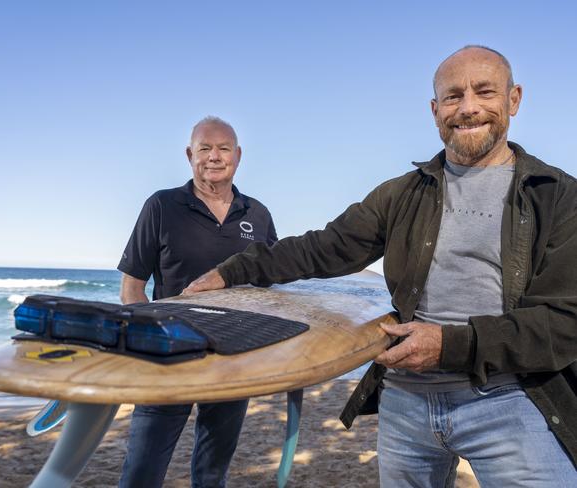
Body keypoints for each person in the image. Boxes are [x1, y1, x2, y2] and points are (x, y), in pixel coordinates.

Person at [184, 46, 577, 486]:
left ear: (514, 99)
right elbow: (321, 248)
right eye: (452, 96)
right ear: (434, 110)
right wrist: (231, 271)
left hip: (510, 400)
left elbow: (564, 324)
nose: (467, 107)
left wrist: (450, 345)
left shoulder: (559, 196)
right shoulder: (401, 194)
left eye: (484, 92)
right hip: (406, 400)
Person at [117, 116, 277, 488]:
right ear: (190, 154)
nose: (214, 157)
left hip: (233, 359)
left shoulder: (258, 214)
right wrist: (145, 347)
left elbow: (269, 288)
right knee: (141, 472)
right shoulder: (161, 205)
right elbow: (132, 289)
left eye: (223, 148)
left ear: (238, 155)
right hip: (169, 358)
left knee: (212, 473)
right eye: (205, 148)